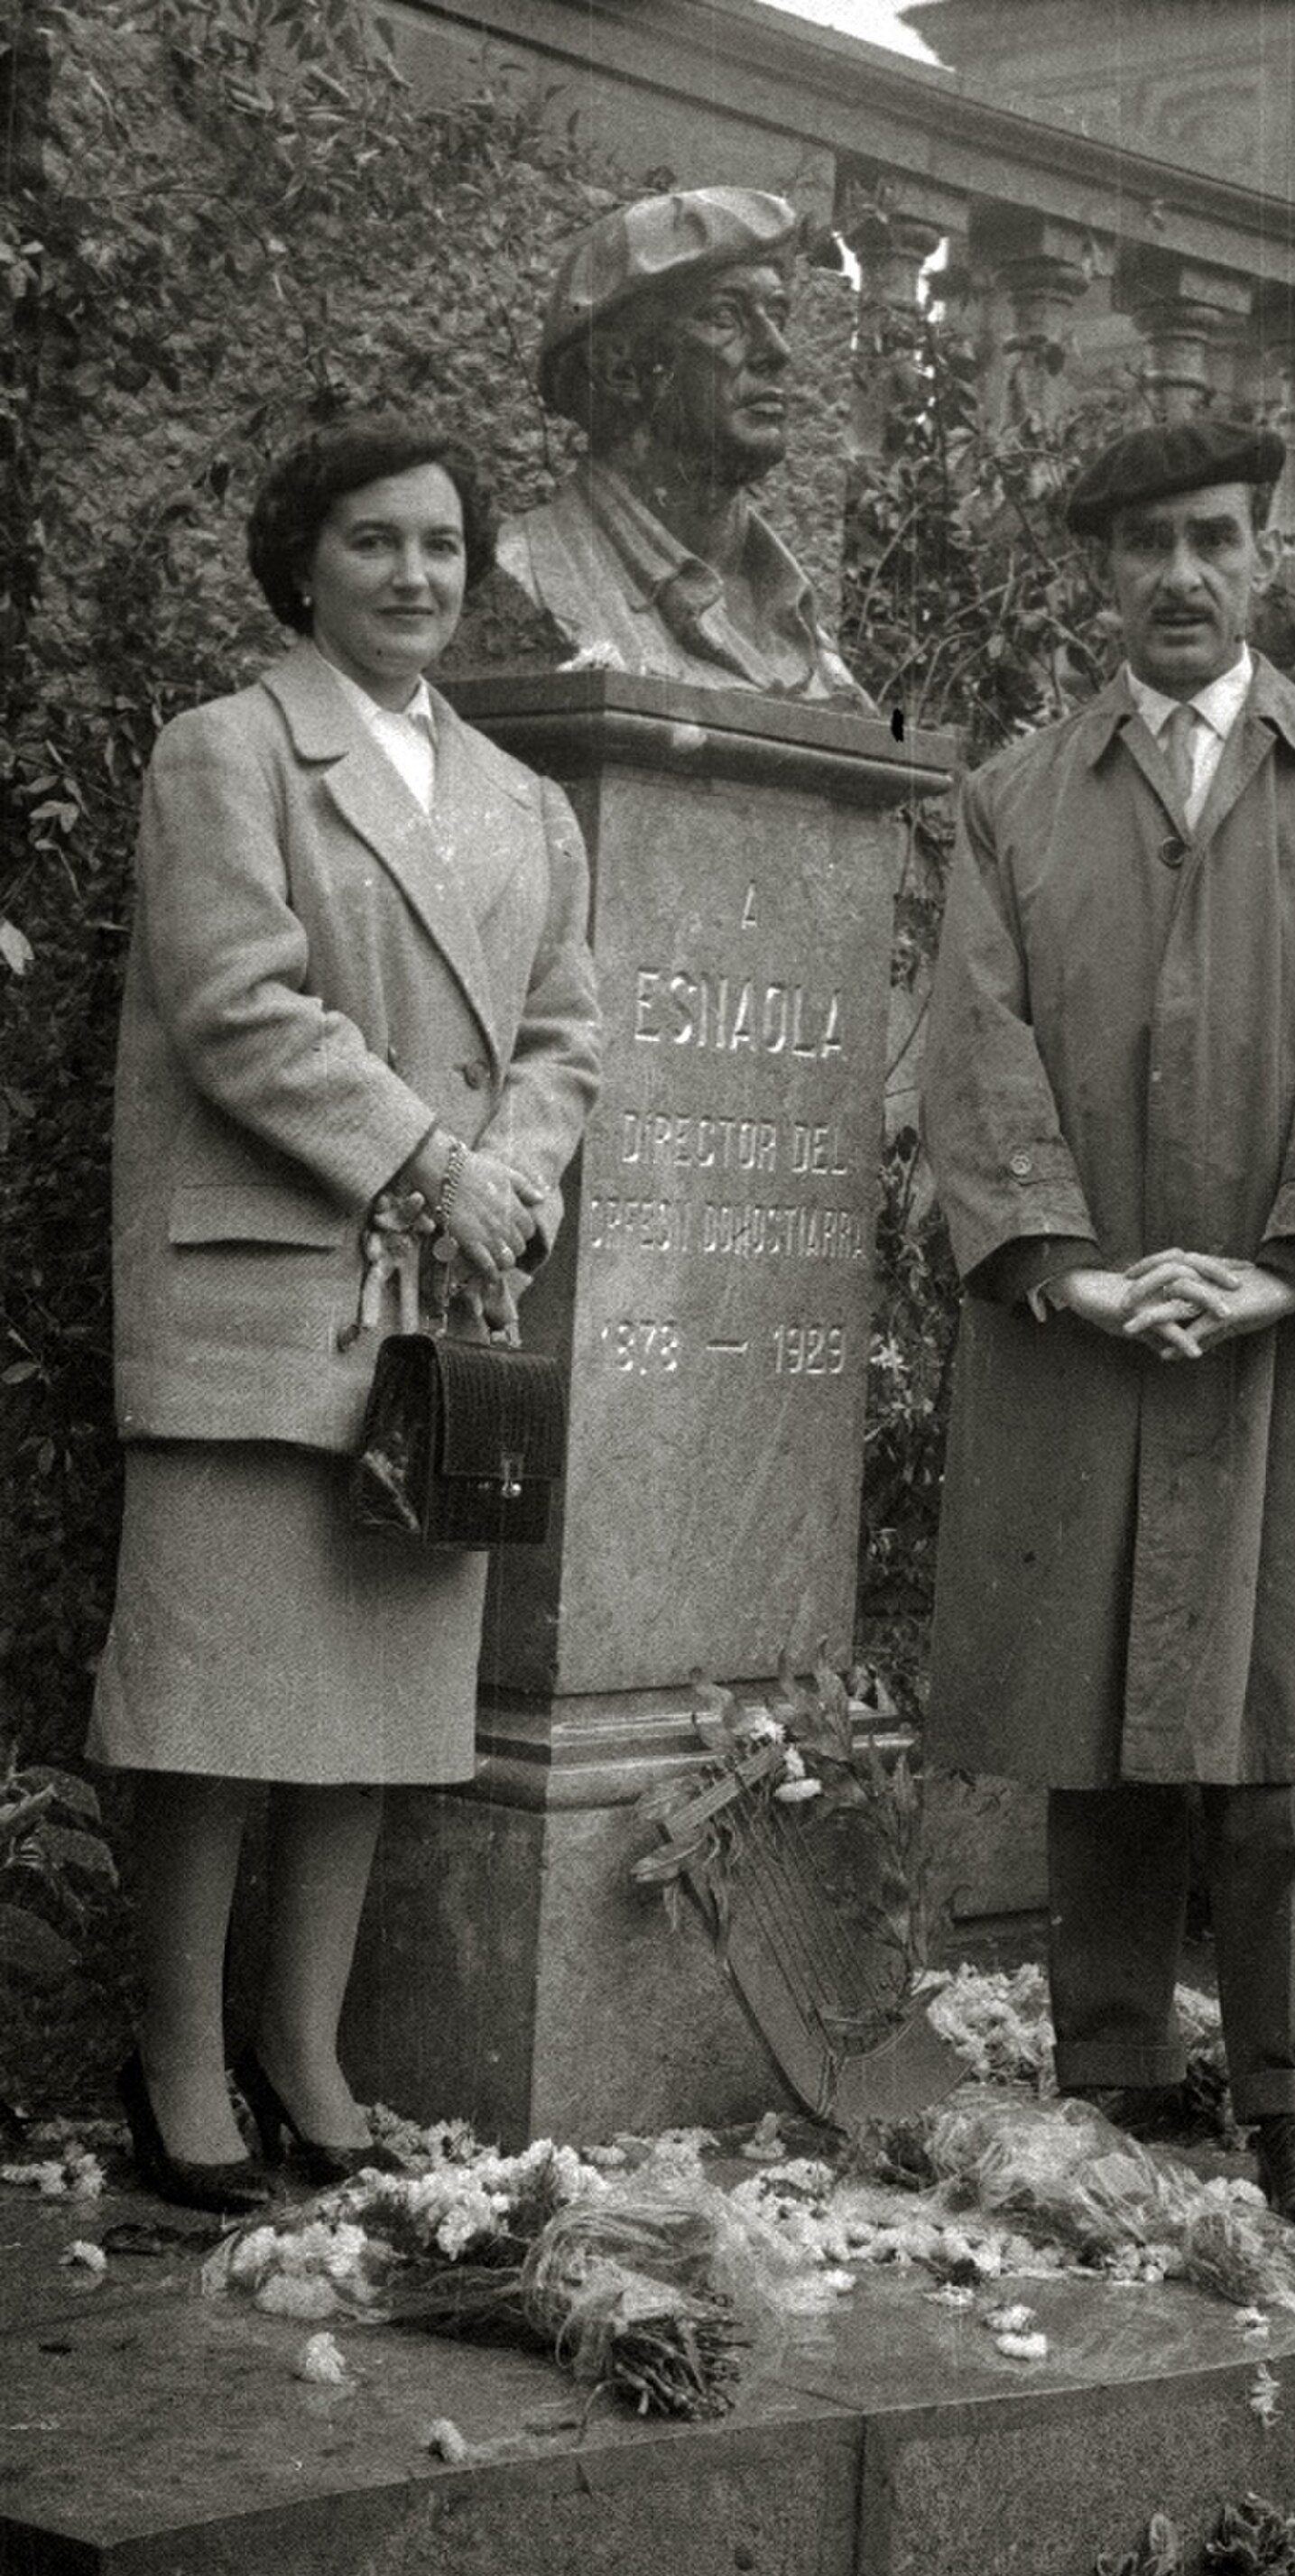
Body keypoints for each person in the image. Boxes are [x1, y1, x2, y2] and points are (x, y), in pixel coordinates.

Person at [920, 417, 1295, 2259]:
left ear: (1261, 558)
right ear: (1101, 571)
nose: (1182, 574)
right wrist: (1067, 1265)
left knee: (1290, 1717)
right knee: (1096, 1696)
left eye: (1215, 539)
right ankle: (1110, 2078)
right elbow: (975, 1041)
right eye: (1147, 542)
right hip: (1086, 1315)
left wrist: (1288, 1267)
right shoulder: (1013, 800)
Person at [89, 413, 604, 2211]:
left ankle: (304, 2056)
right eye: (374, 540)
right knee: (218, 1716)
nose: (412, 574)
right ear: (301, 564)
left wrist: (510, 1178)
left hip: (432, 1304)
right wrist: (431, 1163)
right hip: (264, 1296)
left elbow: (564, 1034)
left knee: (372, 1719)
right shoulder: (227, 751)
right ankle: (176, 2060)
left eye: (441, 545)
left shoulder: (525, 803)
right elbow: (236, 1007)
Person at [450, 185, 865, 706]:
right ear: (618, 368)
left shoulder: (793, 611)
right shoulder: (527, 571)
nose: (777, 351)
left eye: (776, 316)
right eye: (724, 317)